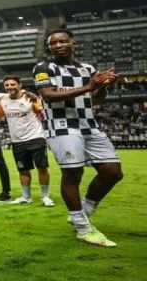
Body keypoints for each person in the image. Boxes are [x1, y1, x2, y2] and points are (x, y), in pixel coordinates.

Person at [33, 29, 122, 247]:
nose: (58, 46)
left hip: (89, 125)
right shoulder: (44, 68)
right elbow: (48, 96)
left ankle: (85, 210)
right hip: (62, 127)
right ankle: (83, 228)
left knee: (113, 172)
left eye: (63, 41)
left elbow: (98, 100)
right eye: (53, 43)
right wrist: (90, 86)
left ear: (73, 43)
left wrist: (103, 86)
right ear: (49, 47)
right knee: (73, 174)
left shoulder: (87, 69)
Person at [0, 75, 55, 207]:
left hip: (35, 137)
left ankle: (45, 196)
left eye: (12, 84)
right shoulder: (3, 101)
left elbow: (43, 113)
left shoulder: (30, 98)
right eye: (7, 85)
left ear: (20, 85)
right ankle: (26, 197)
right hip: (17, 141)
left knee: (42, 168)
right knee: (23, 170)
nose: (10, 87)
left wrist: (38, 102)